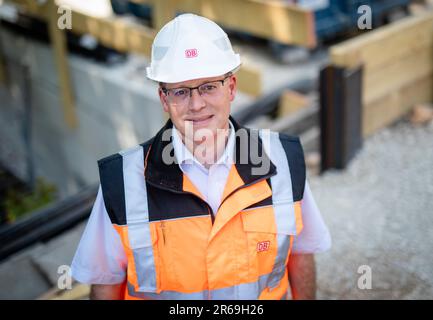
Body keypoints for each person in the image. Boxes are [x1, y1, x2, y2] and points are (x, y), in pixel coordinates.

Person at [71, 13, 331, 300]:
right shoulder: (123, 181)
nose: (196, 104)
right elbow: (105, 282)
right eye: (180, 91)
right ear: (163, 99)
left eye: (208, 86)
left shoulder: (282, 161)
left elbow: (302, 253)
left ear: (230, 88)